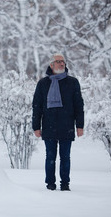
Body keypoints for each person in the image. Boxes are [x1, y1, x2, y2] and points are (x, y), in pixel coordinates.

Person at [32, 53, 84, 191]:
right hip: (49, 125)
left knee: (65, 158)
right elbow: (37, 106)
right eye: (58, 61)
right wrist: (36, 126)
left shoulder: (73, 82)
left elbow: (79, 105)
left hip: (67, 125)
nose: (62, 64)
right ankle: (50, 184)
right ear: (51, 65)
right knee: (50, 157)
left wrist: (80, 125)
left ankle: (65, 183)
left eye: (63, 62)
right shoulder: (43, 83)